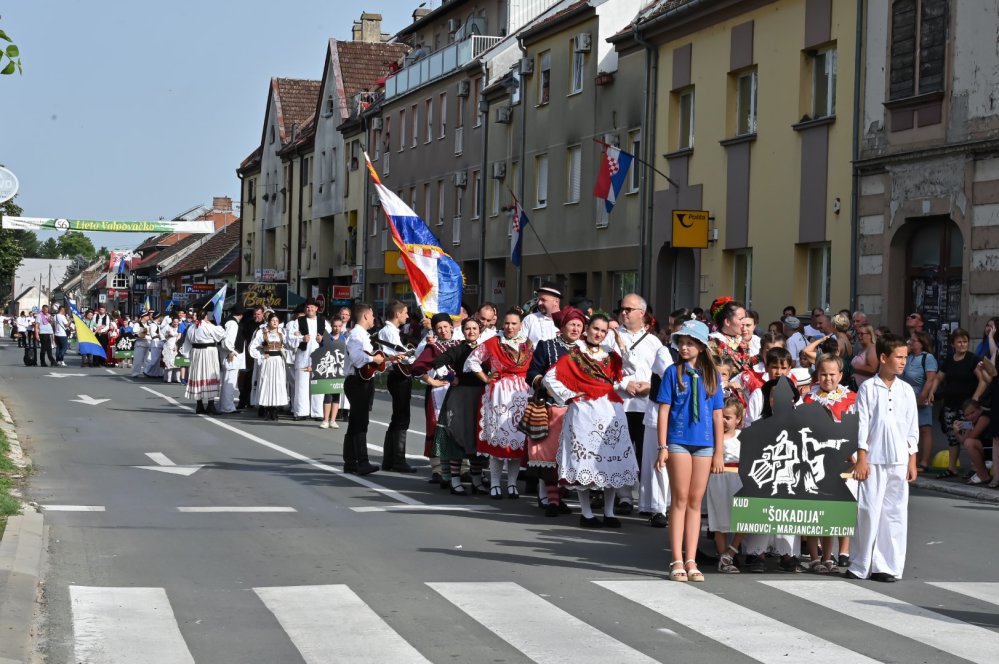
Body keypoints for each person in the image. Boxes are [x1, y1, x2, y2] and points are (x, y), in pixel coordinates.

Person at [542, 314, 636, 528]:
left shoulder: (610, 354)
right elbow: (550, 378)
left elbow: (630, 369)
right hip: (584, 413)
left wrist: (622, 345)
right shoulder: (575, 354)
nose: (599, 334)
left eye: (603, 331)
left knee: (611, 462)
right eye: (595, 329)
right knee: (585, 462)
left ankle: (609, 512)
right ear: (587, 329)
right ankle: (586, 513)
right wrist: (570, 395)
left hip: (610, 410)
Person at [655, 320, 725, 582]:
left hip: (704, 444)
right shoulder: (672, 373)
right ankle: (676, 559)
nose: (684, 347)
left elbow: (717, 415)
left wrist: (718, 451)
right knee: (680, 499)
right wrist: (662, 446)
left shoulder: (712, 375)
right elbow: (664, 411)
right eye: (681, 343)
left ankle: (691, 559)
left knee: (696, 501)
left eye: (690, 343)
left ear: (702, 347)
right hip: (678, 441)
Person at [847, 333, 918, 582]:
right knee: (868, 511)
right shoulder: (868, 388)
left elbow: (911, 427)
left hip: (898, 459)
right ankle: (860, 563)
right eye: (899, 357)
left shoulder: (906, 390)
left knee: (894, 514)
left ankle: (886, 566)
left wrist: (912, 459)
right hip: (873, 458)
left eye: (905, 357)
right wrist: (861, 457)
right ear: (884, 358)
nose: (903, 362)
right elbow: (862, 424)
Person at [465, 308, 533, 499]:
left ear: (521, 325)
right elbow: (472, 361)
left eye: (514, 323)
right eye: (507, 323)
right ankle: (495, 483)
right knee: (499, 441)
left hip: (521, 394)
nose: (510, 327)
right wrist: (486, 378)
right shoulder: (493, 342)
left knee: (517, 442)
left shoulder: (528, 344)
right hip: (499, 394)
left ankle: (512, 484)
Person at [800, 354, 857, 573]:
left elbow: (858, 429)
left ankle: (836, 553)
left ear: (840, 375)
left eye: (832, 374)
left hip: (844, 460)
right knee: (814, 509)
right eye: (823, 374)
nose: (828, 378)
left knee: (839, 508)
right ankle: (815, 556)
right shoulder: (808, 398)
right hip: (814, 459)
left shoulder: (851, 398)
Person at [527, 306, 586, 515]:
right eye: (572, 324)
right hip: (552, 407)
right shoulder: (547, 346)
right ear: (562, 326)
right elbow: (532, 372)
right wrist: (545, 383)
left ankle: (557, 497)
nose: (576, 329)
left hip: (577, 408)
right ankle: (549, 498)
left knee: (568, 455)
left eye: (579, 325)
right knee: (549, 455)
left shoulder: (585, 349)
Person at [431, 317, 488, 494]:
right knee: (458, 434)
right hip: (461, 396)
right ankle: (455, 480)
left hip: (480, 396)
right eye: (467, 329)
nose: (471, 332)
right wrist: (450, 377)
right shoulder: (458, 349)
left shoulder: (485, 349)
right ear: (462, 331)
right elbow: (437, 362)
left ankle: (477, 480)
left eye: (474, 328)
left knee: (478, 437)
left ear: (480, 330)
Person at [410, 313, 462, 487]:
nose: (443, 330)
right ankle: (438, 468)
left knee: (459, 428)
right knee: (436, 427)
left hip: (458, 390)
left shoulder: (460, 344)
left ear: (451, 327)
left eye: (446, 326)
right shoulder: (432, 347)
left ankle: (463, 468)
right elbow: (417, 367)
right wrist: (431, 381)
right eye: (439, 328)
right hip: (438, 392)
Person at [930, 328, 980, 477]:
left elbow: (982, 380)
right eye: (959, 342)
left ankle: (975, 468)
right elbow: (938, 377)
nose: (963, 344)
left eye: (965, 341)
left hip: (966, 408)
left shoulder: (972, 359)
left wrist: (975, 398)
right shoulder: (949, 360)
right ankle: (952, 468)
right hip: (950, 405)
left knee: (968, 435)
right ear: (953, 344)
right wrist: (932, 391)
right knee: (952, 437)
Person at [376, 300, 418, 473]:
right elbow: (400, 354)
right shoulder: (389, 331)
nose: (407, 316)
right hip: (398, 375)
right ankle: (398, 460)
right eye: (405, 312)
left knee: (398, 417)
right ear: (397, 314)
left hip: (398, 375)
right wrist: (415, 357)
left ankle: (389, 460)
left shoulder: (390, 331)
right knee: (402, 418)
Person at [342, 303, 383, 475]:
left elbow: (369, 361)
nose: (374, 318)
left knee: (356, 421)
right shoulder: (356, 335)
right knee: (360, 422)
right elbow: (357, 358)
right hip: (356, 381)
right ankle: (362, 461)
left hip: (362, 380)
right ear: (365, 316)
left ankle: (350, 461)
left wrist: (385, 361)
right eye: (372, 315)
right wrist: (374, 359)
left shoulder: (363, 335)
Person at [707, 396, 746, 573]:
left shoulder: (742, 437)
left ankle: (731, 552)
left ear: (738, 419)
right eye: (721, 416)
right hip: (718, 479)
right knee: (720, 520)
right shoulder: (712, 437)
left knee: (743, 519)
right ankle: (723, 558)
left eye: (728, 417)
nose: (723, 420)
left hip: (738, 480)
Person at [640, 343, 674, 527]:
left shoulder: (701, 356)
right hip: (659, 413)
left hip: (681, 416)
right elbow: (672, 376)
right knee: (658, 461)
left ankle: (671, 506)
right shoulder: (665, 351)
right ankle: (658, 508)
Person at [287, 299, 331, 422]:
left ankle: (317, 412)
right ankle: (301, 412)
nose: (309, 309)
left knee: (318, 386)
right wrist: (302, 338)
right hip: (303, 357)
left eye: (312, 307)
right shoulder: (298, 321)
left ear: (316, 308)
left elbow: (331, 338)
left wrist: (323, 339)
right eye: (307, 307)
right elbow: (289, 339)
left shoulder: (323, 322)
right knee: (301, 386)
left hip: (319, 358)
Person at [901, 331, 938, 472]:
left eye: (913, 340)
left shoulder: (928, 358)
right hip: (907, 397)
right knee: (909, 429)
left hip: (921, 395)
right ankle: (911, 459)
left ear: (921, 343)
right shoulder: (909, 357)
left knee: (924, 429)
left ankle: (924, 462)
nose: (910, 342)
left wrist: (922, 397)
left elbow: (931, 378)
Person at [181, 308, 227, 414]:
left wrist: (186, 355)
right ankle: (210, 405)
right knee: (209, 375)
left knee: (198, 376)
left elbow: (187, 344)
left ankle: (199, 404)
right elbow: (222, 334)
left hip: (196, 353)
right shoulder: (208, 326)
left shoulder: (191, 327)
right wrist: (211, 323)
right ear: (206, 316)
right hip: (208, 352)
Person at [249, 312, 290, 421]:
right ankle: (267, 409)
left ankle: (275, 409)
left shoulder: (282, 332)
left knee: (278, 383)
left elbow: (289, 345)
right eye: (273, 320)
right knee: (266, 383)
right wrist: (261, 356)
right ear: (268, 321)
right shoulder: (262, 333)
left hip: (278, 361)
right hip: (267, 361)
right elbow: (252, 347)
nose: (275, 323)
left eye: (276, 321)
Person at [707, 297, 753, 374]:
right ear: (727, 322)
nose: (744, 322)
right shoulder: (713, 343)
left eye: (744, 318)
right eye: (741, 319)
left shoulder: (742, 341)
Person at [954, 399, 992, 485]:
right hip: (987, 450)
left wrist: (966, 426)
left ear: (980, 409)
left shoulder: (984, 417)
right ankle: (983, 475)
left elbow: (971, 437)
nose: (970, 417)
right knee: (968, 443)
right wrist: (956, 432)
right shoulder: (971, 422)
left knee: (970, 443)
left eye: (972, 413)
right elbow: (964, 441)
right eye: (967, 415)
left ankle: (983, 475)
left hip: (993, 450)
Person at [320, 316, 347, 429]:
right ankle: (325, 420)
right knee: (328, 395)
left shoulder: (344, 338)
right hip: (328, 369)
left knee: (336, 395)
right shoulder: (326, 337)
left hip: (339, 369)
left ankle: (333, 420)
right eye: (335, 326)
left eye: (339, 326)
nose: (337, 328)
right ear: (331, 326)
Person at [237, 307, 265, 410]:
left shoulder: (265, 326)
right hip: (249, 354)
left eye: (258, 314)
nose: (256, 316)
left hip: (261, 354)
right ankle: (243, 400)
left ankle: (258, 402)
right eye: (255, 314)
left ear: (262, 314)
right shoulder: (247, 324)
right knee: (246, 379)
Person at [218, 309, 245, 413]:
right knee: (230, 381)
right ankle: (227, 407)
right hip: (231, 355)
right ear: (241, 315)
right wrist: (231, 351)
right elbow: (228, 340)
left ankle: (224, 405)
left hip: (226, 353)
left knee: (227, 380)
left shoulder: (227, 321)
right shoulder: (233, 323)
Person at [143, 312, 165, 378]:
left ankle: (156, 373)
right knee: (154, 360)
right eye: (161, 317)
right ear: (158, 317)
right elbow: (153, 334)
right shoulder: (153, 325)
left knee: (158, 360)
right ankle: (146, 371)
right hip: (155, 344)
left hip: (159, 343)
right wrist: (161, 335)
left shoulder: (157, 324)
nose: (161, 318)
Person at [131, 311, 152, 378]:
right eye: (147, 316)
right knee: (138, 359)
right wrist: (142, 333)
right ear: (143, 317)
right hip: (140, 343)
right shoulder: (137, 324)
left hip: (148, 343)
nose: (148, 317)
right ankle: (135, 373)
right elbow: (134, 333)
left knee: (148, 360)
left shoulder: (149, 324)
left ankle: (146, 372)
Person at [161, 317, 182, 383]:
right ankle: (169, 379)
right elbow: (165, 337)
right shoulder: (168, 328)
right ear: (172, 322)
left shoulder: (180, 328)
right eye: (174, 322)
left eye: (177, 322)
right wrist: (168, 335)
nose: (175, 323)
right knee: (169, 363)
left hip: (177, 346)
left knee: (178, 363)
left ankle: (177, 378)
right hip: (169, 346)